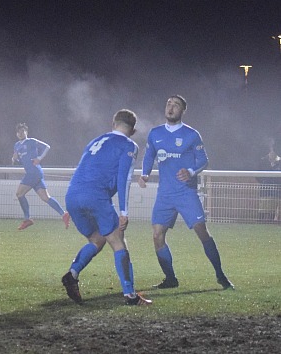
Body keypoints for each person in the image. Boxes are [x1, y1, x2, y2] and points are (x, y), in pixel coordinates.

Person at [138, 95, 234, 290]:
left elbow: (203, 160)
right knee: (157, 235)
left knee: (202, 231)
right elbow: (149, 155)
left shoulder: (192, 135)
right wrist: (145, 174)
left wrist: (190, 171)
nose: (171, 107)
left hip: (186, 193)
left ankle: (221, 275)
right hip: (165, 194)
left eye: (176, 105)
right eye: (168, 103)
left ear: (183, 111)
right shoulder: (155, 133)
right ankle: (171, 279)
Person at [60, 110, 151, 306]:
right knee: (118, 242)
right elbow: (124, 179)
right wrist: (124, 212)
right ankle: (130, 295)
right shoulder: (129, 145)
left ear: (113, 123)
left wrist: (75, 202)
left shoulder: (95, 141)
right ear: (133, 130)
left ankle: (72, 274)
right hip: (96, 196)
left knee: (97, 239)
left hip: (72, 195)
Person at [12, 123, 70, 230]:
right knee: (45, 197)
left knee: (19, 194)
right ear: (16, 134)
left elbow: (47, 147)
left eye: (23, 131)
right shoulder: (16, 146)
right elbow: (20, 160)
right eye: (19, 132)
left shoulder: (31, 141)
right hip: (34, 173)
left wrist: (39, 158)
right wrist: (14, 159)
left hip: (33, 172)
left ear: (26, 132)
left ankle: (27, 218)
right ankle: (64, 214)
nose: (21, 133)